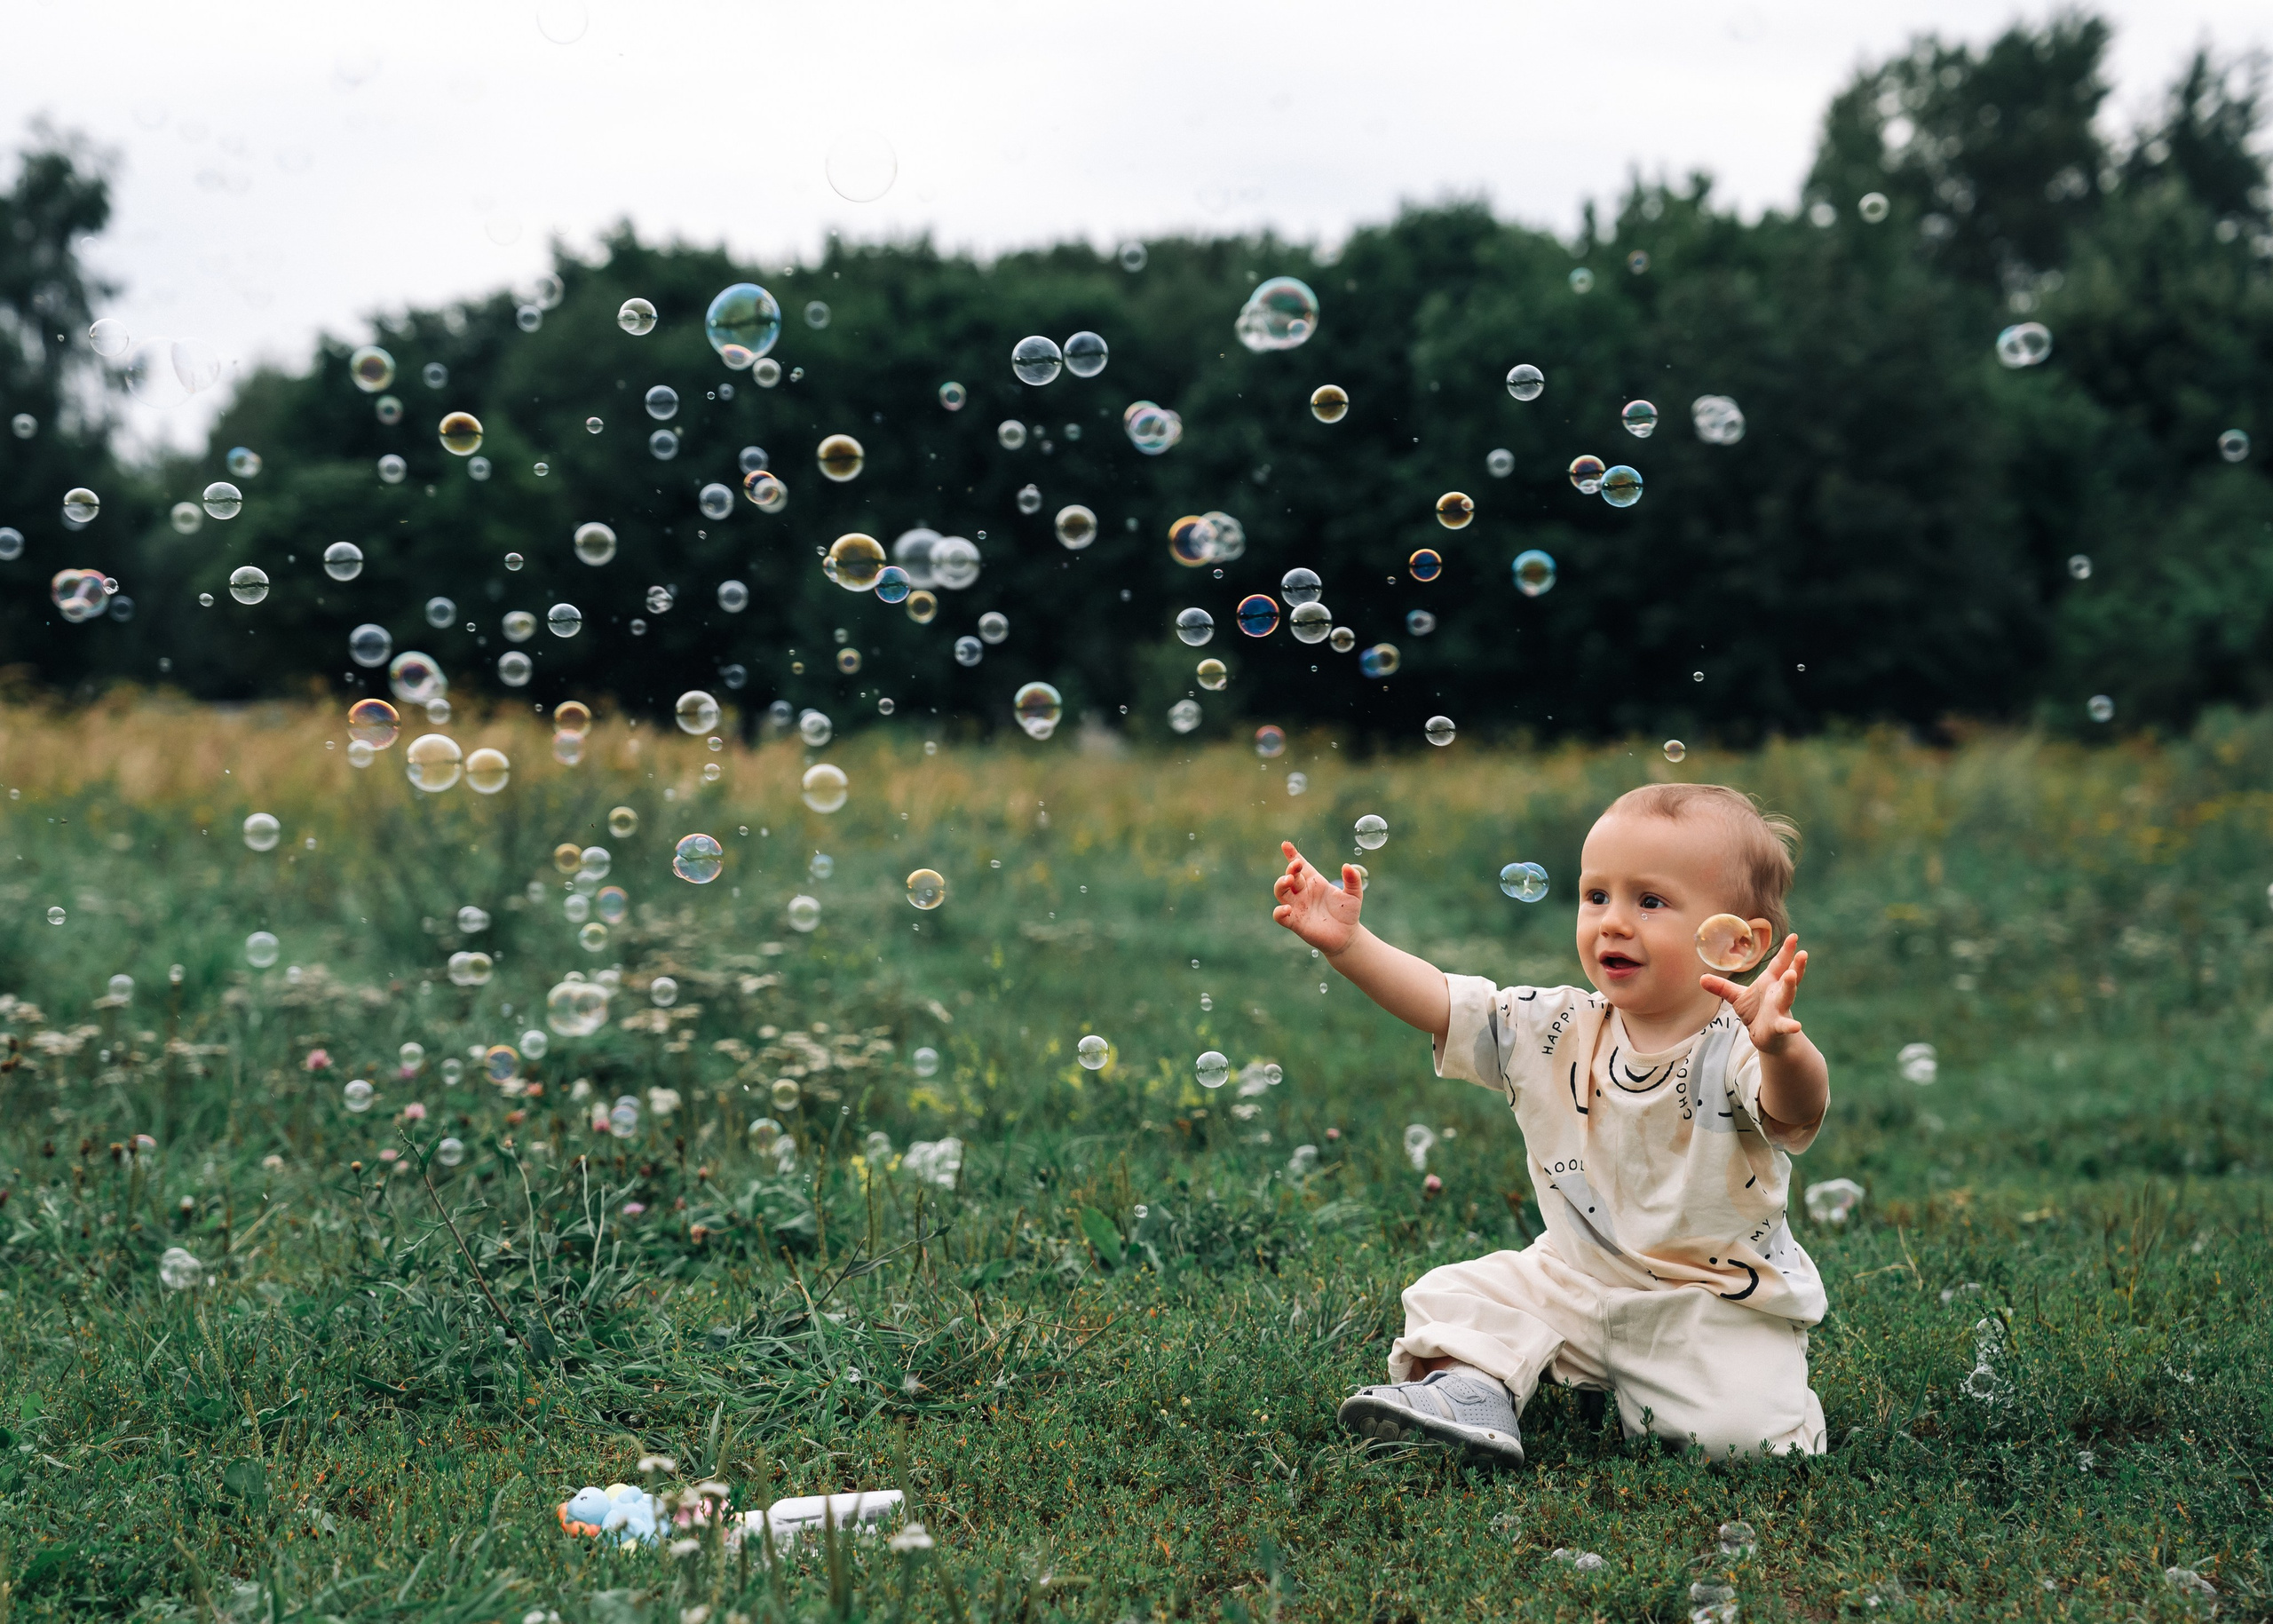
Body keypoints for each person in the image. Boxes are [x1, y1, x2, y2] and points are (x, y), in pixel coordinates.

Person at [1271, 783, 1830, 1462]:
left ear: (1738, 942)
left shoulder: (1739, 1043)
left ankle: (1750, 1394)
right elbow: (1446, 1005)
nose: (1612, 922)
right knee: (1457, 1292)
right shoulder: (1558, 1024)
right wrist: (1350, 944)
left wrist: (1782, 1047)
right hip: (1575, 1279)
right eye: (1596, 896)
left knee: (1744, 1443)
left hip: (1708, 1307)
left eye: (1649, 901)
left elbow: (1796, 1109)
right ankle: (1473, 1396)